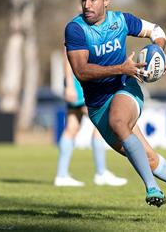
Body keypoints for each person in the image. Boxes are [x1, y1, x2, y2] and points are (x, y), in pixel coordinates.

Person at [64, 0, 166, 218]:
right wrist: (121, 68)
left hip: (126, 88)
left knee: (118, 121)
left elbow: (156, 31)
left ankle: (152, 188)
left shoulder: (122, 21)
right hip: (97, 106)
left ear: (106, 1)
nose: (87, 4)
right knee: (146, 157)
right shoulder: (76, 29)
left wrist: (158, 51)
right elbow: (81, 71)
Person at [54, 50, 128, 187]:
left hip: (81, 80)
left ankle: (62, 174)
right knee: (101, 121)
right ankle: (101, 173)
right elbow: (67, 54)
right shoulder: (76, 28)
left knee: (72, 126)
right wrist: (69, 85)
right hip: (81, 82)